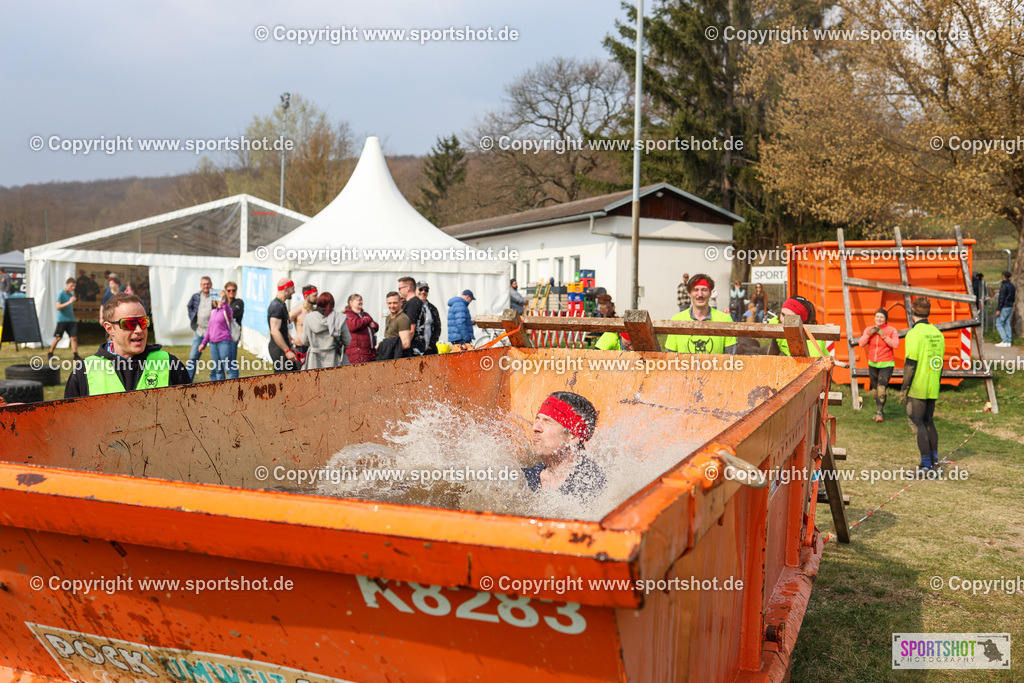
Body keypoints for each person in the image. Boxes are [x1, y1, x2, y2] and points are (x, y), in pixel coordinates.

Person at [64, 293, 190, 398]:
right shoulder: (84, 371)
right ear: (109, 329)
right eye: (129, 324)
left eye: (143, 322)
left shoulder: (170, 364)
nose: (139, 330)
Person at [521, 391, 605, 504]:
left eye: (548, 422)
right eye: (537, 419)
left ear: (573, 435)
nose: (535, 427)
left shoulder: (594, 487)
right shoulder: (524, 478)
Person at [899, 297, 945, 475]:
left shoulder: (913, 334)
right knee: (929, 422)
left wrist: (904, 388)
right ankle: (935, 463)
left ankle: (926, 466)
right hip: (933, 383)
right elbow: (938, 363)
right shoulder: (937, 333)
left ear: (912, 313)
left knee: (917, 423)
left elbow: (911, 363)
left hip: (918, 385)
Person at [665, 274, 737, 354]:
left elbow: (731, 358)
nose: (700, 294)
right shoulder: (677, 320)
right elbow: (669, 357)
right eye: (695, 290)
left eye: (704, 290)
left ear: (710, 293)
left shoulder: (725, 319)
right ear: (689, 294)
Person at [859, 308, 899, 422]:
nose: (879, 319)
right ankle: (878, 410)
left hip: (887, 363)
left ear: (886, 319)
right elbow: (861, 343)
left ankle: (879, 413)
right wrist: (869, 334)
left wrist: (884, 336)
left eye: (881, 317)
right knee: (875, 390)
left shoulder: (891, 330)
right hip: (873, 363)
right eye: (877, 317)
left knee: (881, 389)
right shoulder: (869, 329)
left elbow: (895, 345)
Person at [300, 292, 351, 369]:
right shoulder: (339, 318)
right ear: (332, 303)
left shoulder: (308, 318)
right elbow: (347, 340)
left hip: (314, 361)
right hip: (334, 360)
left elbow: (304, 341)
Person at [198, 292, 235, 381]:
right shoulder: (213, 312)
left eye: (222, 298)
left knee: (228, 368)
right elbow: (209, 329)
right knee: (218, 369)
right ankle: (221, 390)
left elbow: (228, 312)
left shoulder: (227, 310)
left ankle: (232, 388)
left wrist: (224, 300)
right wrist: (203, 343)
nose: (220, 300)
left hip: (224, 342)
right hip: (213, 344)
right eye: (219, 298)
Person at [184, 276, 214, 380]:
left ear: (211, 284)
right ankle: (187, 381)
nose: (206, 286)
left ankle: (215, 381)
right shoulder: (196, 296)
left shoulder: (215, 296)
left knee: (216, 359)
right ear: (201, 285)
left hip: (213, 332)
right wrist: (193, 318)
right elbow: (189, 306)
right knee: (193, 357)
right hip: (200, 331)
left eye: (208, 284)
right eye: (204, 284)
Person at [47, 278, 81, 362]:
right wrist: (69, 302)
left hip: (71, 320)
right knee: (58, 338)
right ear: (66, 285)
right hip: (62, 320)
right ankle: (50, 353)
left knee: (74, 338)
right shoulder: (61, 293)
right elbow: (58, 307)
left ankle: (76, 355)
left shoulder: (71, 295)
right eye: (71, 286)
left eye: (74, 286)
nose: (73, 288)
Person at [268, 278, 298, 372]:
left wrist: (291, 346)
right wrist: (287, 351)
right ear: (286, 289)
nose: (294, 291)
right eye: (292, 288)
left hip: (283, 348)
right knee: (283, 382)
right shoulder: (276, 306)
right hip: (279, 349)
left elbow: (283, 330)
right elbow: (274, 331)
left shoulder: (281, 304)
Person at [378, 291, 414, 360]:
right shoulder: (388, 317)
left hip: (398, 360)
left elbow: (406, 344)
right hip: (389, 358)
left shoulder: (403, 319)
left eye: (395, 303)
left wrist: (386, 349)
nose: (392, 306)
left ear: (401, 303)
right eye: (389, 303)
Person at [344, 294, 378, 364]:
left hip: (368, 351)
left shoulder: (365, 314)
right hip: (356, 353)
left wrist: (372, 325)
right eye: (358, 300)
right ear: (351, 302)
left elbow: (375, 325)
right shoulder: (348, 315)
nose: (361, 302)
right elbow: (354, 326)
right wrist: (367, 320)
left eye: (361, 300)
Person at [398, 276, 426, 355]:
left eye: (400, 288)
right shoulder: (409, 303)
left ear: (408, 288)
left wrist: (403, 347)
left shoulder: (414, 303)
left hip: (413, 348)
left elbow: (411, 329)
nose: (399, 291)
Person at [290, 285, 319, 360]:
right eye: (314, 296)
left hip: (315, 347)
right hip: (302, 347)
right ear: (306, 296)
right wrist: (292, 341)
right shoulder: (298, 311)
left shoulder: (317, 311)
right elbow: (282, 326)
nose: (317, 298)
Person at [416, 281, 442, 355]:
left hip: (429, 348)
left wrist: (432, 344)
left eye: (426, 290)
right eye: (421, 289)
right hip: (415, 348)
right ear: (416, 290)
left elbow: (437, 327)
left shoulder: (432, 308)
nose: (423, 292)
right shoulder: (411, 307)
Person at [224, 281, 243, 377]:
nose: (231, 292)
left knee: (231, 363)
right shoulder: (221, 302)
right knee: (220, 364)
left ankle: (233, 384)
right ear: (225, 291)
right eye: (229, 290)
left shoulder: (239, 302)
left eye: (233, 290)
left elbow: (232, 314)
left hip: (232, 336)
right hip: (221, 336)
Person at [995, 270, 1016, 347]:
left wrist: (998, 309)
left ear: (1003, 276)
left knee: (999, 323)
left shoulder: (1004, 286)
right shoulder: (1012, 286)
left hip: (1004, 306)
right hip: (1010, 306)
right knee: (1007, 323)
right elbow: (1013, 297)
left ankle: (1004, 340)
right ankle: (1008, 341)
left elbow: (1001, 298)